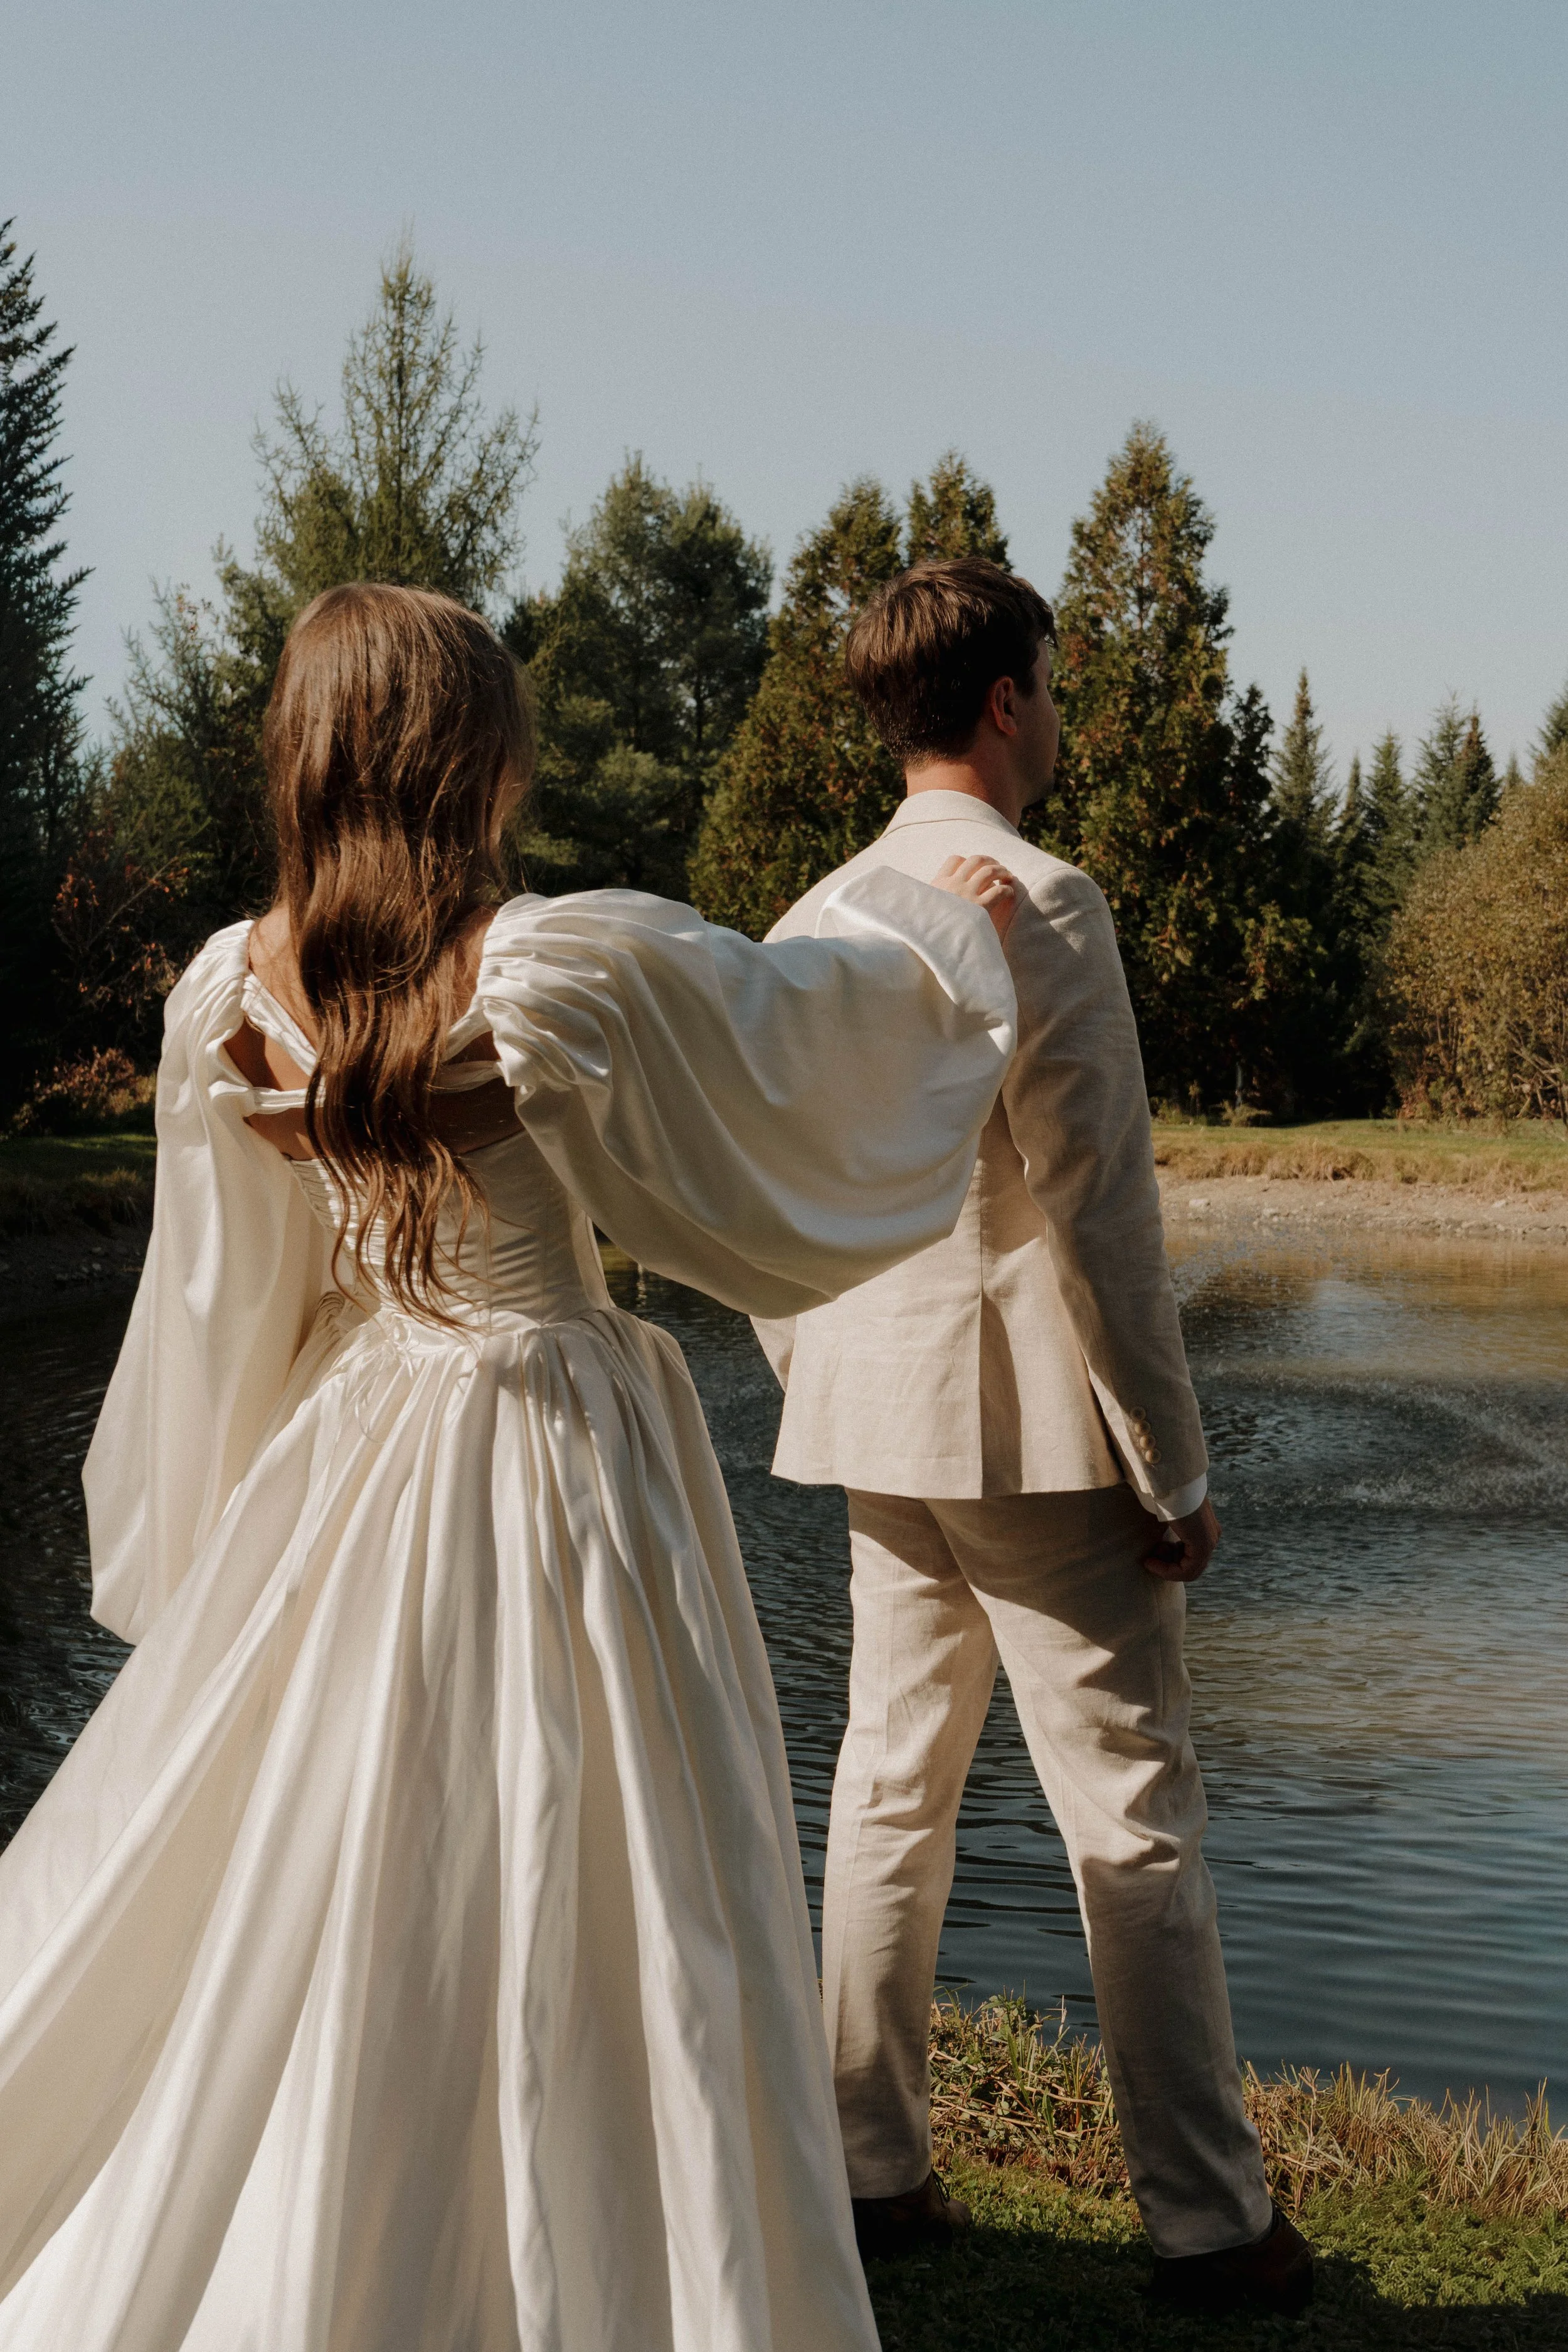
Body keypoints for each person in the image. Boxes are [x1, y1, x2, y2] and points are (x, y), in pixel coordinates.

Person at [0, 582, 1023, 2352]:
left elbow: (226, 1302)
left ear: (309, 757)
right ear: (470, 752)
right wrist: (951, 944)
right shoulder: (556, 965)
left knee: (345, 1862)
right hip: (551, 1448)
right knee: (598, 1861)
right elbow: (799, 1055)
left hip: (356, 1446)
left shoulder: (228, 997)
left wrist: (239, 1544)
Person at [754, 559, 1313, 2319]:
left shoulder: (809, 914)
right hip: (1037, 1440)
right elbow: (1102, 1215)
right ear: (1003, 701)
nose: (1058, 715)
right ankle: (1208, 2220)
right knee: (1132, 1808)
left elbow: (769, 1201)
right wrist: (1174, 1461)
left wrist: (820, 1367)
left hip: (877, 1420)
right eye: (1052, 687)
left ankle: (869, 2165)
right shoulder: (1044, 901)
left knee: (888, 1782)